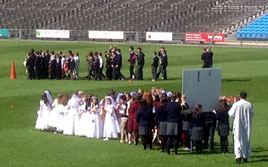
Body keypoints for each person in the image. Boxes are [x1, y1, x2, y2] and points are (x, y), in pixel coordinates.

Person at [229, 91, 254, 164]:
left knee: (238, 140)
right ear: (246, 96)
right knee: (246, 140)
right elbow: (252, 114)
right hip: (247, 125)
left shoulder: (236, 104)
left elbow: (230, 113)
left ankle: (238, 157)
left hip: (238, 125)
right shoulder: (249, 104)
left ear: (239, 96)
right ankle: (245, 156)